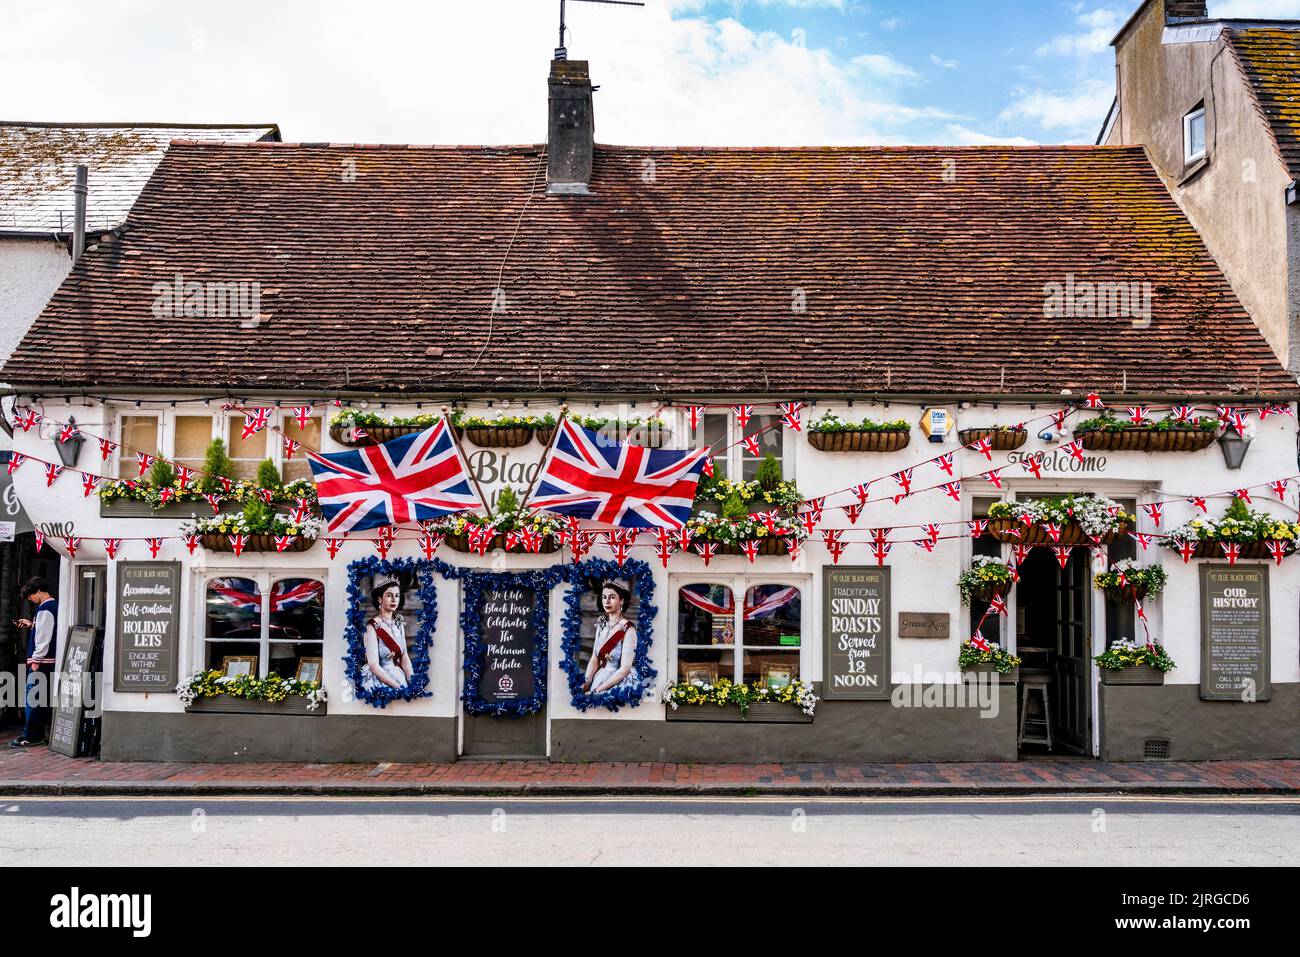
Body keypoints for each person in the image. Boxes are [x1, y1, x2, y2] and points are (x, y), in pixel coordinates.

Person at [10, 577, 56, 748]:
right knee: (41, 700)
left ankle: (31, 735)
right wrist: (32, 625)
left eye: (30, 596)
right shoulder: (54, 607)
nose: (30, 600)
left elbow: (44, 638)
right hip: (48, 662)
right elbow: (46, 630)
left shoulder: (45, 609)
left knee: (33, 699)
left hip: (41, 662)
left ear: (37, 591)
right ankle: (37, 733)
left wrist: (36, 660)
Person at [583, 581, 640, 695]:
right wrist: (587, 682)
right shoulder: (601, 626)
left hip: (617, 682)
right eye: (604, 597)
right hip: (599, 678)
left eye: (612, 597)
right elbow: (595, 658)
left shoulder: (629, 629)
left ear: (621, 601)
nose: (607, 601)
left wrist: (598, 690)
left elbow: (625, 669)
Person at [360, 579, 412, 693]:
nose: (394, 599)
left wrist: (412, 682)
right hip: (379, 680)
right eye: (389, 595)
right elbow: (373, 665)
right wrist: (398, 688)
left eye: (397, 595)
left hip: (398, 675)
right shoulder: (371, 627)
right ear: (379, 599)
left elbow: (404, 657)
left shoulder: (399, 623)